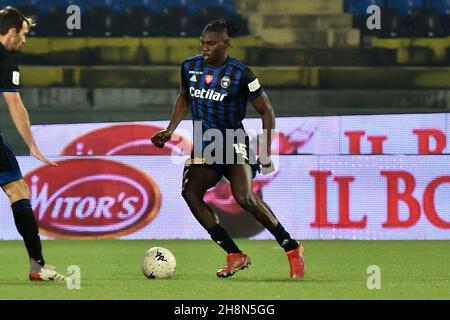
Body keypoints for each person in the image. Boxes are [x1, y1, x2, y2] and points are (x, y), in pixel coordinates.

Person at [151, 20, 306, 279]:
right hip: (205, 143)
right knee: (190, 193)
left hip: (233, 140)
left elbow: (266, 110)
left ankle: (291, 247)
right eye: (202, 43)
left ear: (225, 44)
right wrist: (169, 130)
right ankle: (234, 254)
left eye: (210, 44)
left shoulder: (241, 74)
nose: (205, 48)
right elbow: (184, 97)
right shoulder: (189, 67)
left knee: (244, 197)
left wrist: (266, 152)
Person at [0, 6, 65, 281]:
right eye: (24, 34)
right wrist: (32, 146)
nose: (24, 41)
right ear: (12, 32)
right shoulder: (4, 58)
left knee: (17, 188)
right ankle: (37, 266)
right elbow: (15, 106)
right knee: (18, 190)